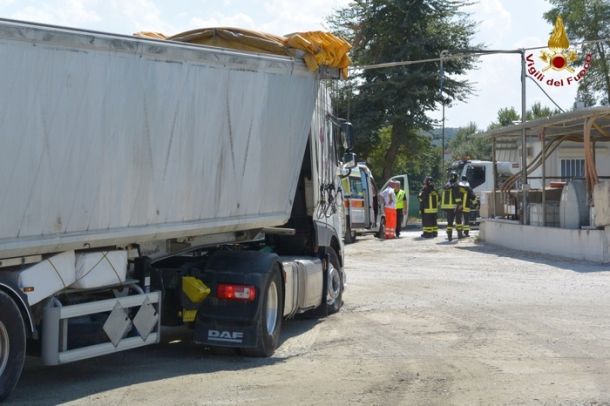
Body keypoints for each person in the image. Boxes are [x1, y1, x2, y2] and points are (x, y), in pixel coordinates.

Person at [441, 171, 462, 241]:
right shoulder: (455, 185)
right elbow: (457, 196)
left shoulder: (446, 185)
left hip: (447, 207)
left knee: (449, 222)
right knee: (458, 221)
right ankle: (459, 235)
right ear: (455, 177)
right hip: (455, 206)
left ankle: (449, 236)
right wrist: (459, 204)